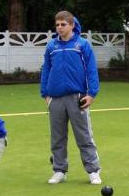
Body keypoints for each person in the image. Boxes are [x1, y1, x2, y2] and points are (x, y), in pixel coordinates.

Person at [40, 10, 102, 185]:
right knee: (57, 136)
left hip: (78, 97)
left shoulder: (82, 45)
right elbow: (46, 69)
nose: (59, 28)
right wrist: (45, 93)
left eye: (63, 24)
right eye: (57, 25)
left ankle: (93, 170)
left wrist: (91, 94)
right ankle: (59, 170)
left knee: (84, 135)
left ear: (72, 25)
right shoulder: (51, 46)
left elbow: (91, 70)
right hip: (55, 98)